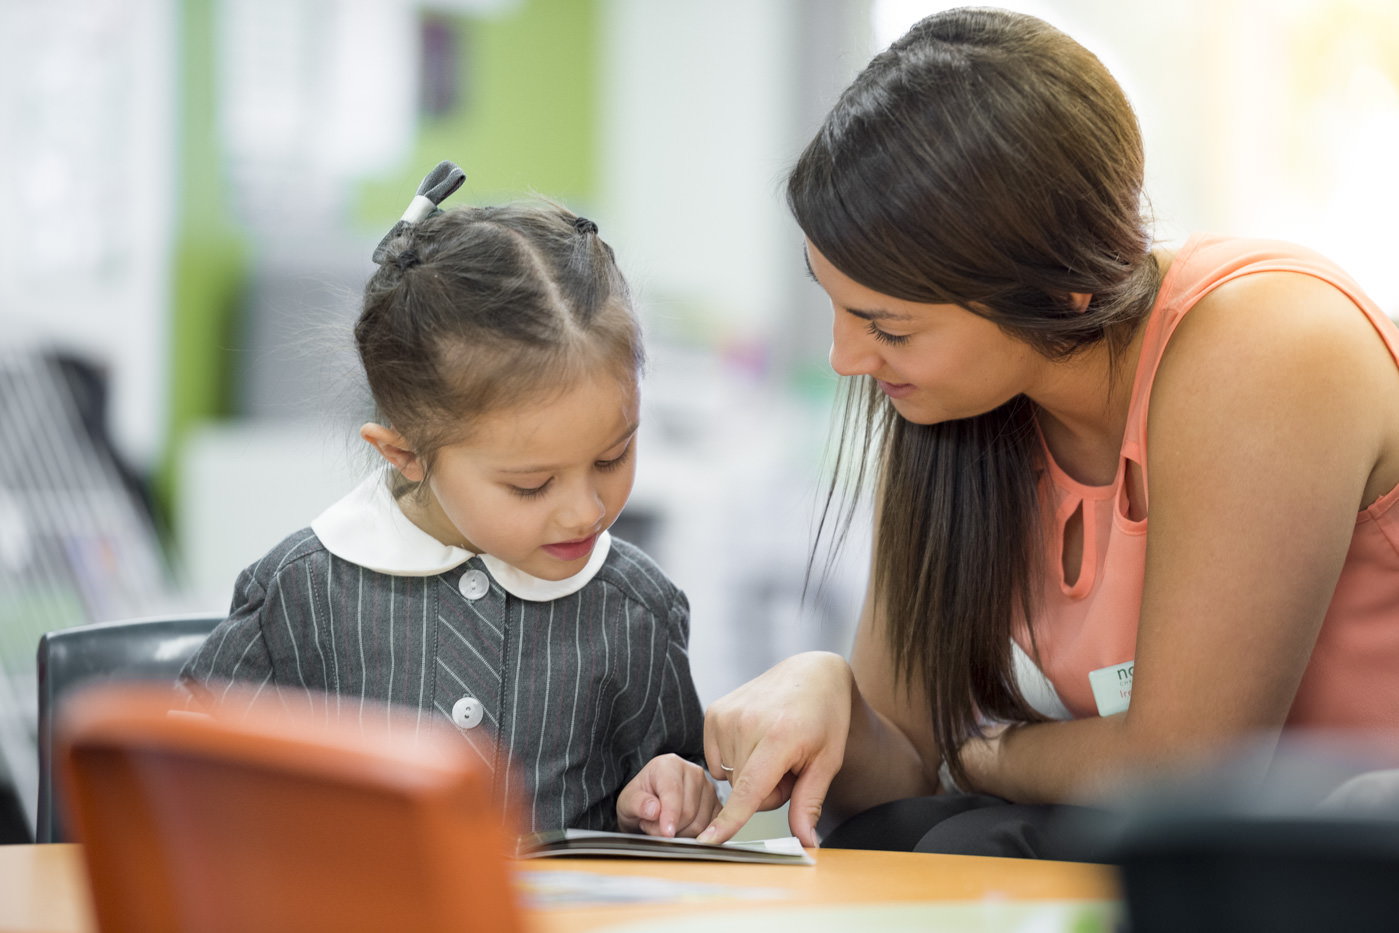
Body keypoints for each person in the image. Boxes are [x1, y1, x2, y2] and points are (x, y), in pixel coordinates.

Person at [697, 7, 1399, 859]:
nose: (848, 359)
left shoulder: (1271, 342)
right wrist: (828, 698)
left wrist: (982, 750)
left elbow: (1183, 768)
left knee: (965, 841)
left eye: (888, 327)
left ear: (1058, 286)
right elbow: (905, 773)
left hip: (1336, 840)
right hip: (1195, 846)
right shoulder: (954, 407)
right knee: (902, 835)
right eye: (838, 310)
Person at [180, 161, 719, 839]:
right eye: (531, 484)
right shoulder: (303, 592)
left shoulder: (635, 607)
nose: (585, 510)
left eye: (612, 457)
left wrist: (673, 789)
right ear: (404, 452)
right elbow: (179, 776)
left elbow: (678, 777)